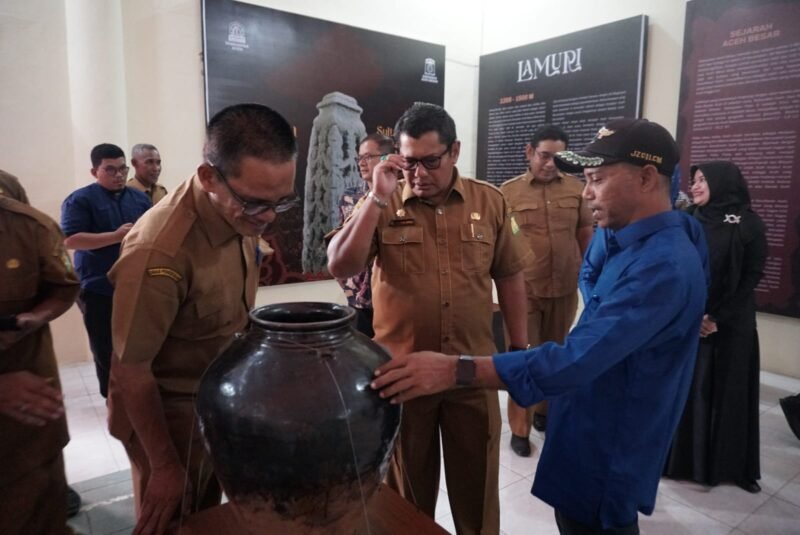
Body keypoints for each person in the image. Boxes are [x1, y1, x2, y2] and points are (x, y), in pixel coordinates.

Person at [370, 118, 709, 534]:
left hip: (608, 439)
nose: (586, 194)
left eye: (597, 180)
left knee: (591, 522)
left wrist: (455, 368)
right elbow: (592, 271)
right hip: (581, 420)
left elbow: (573, 359)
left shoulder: (664, 266)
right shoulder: (628, 233)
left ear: (645, 178)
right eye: (585, 180)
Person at [327, 102, 530, 535]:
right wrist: (378, 196)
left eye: (430, 161)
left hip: (471, 375)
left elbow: (510, 276)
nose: (418, 174)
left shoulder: (489, 201)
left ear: (454, 151)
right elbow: (340, 265)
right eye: (409, 162)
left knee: (476, 492)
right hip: (404, 377)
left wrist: (519, 352)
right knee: (408, 498)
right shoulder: (380, 203)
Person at [107, 103, 298, 534]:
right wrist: (164, 465)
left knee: (207, 517)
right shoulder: (159, 252)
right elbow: (129, 373)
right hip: (169, 416)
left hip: (216, 400)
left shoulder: (237, 217)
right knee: (174, 517)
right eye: (254, 204)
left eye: (279, 203)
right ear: (209, 177)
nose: (267, 218)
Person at [664, 161, 767, 493]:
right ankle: (680, 461)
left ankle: (732, 467)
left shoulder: (749, 225)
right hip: (690, 318)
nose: (694, 187)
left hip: (732, 323)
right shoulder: (687, 220)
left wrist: (716, 317)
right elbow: (675, 269)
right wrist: (694, 315)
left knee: (729, 394)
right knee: (690, 391)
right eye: (693, 180)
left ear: (723, 183)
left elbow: (751, 277)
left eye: (702, 180)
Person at [500, 124, 593, 456]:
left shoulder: (576, 189)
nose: (551, 163)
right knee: (525, 356)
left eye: (558, 157)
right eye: (544, 155)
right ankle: (520, 428)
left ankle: (545, 413)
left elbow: (585, 233)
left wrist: (591, 275)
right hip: (525, 291)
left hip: (565, 288)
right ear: (529, 152)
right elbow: (501, 245)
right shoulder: (508, 193)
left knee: (557, 356)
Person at [0, 171, 81, 534]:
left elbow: (64, 287)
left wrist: (36, 316)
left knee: (39, 504)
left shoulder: (29, 227)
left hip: (29, 402)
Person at [61, 143, 152, 398]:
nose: (118, 175)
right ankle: (112, 399)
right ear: (94, 172)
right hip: (97, 287)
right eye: (110, 170)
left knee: (136, 345)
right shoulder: (80, 199)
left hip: (135, 285)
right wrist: (114, 237)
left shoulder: (139, 198)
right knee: (105, 348)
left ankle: (137, 396)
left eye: (122, 169)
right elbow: (70, 240)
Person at [334, 132, 395, 337]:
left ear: (387, 158)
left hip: (392, 297)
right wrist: (349, 289)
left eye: (368, 157)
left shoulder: (399, 196)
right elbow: (339, 243)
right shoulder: (350, 197)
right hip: (359, 300)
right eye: (359, 157)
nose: (361, 163)